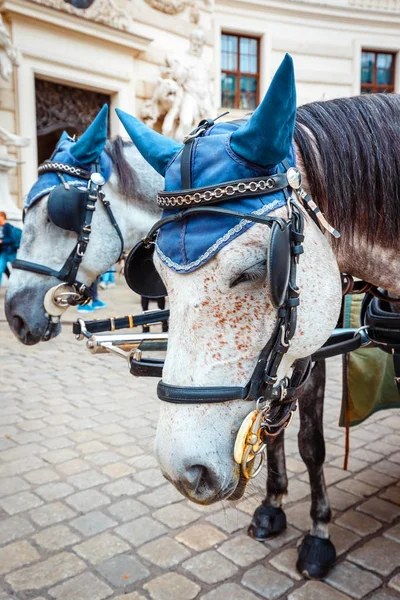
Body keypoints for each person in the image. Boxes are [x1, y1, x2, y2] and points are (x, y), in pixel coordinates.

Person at [0, 211, 21, 288]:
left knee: (16, 270)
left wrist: (2, 241)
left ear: (4, 218)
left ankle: (19, 285)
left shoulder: (8, 227)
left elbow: (12, 239)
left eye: (0, 218)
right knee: (0, 270)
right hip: (3, 253)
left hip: (11, 252)